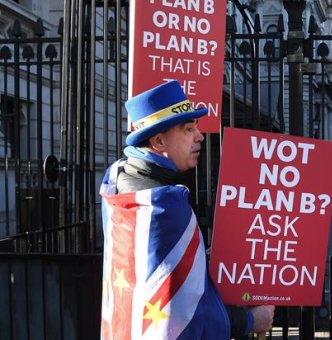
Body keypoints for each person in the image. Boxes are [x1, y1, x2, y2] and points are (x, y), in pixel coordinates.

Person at [99, 80, 274, 339]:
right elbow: (185, 317)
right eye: (188, 129)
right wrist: (250, 320)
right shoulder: (164, 206)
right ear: (159, 141)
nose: (200, 136)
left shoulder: (117, 175)